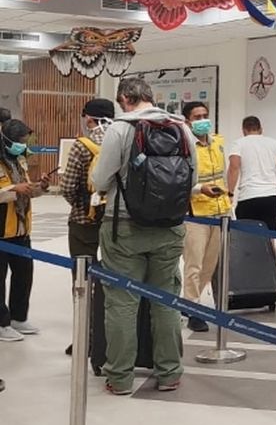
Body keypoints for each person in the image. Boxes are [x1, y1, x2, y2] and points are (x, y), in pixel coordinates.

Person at [91, 77, 197, 394]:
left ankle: (121, 378)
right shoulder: (181, 128)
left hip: (124, 227)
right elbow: (194, 178)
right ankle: (169, 373)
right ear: (151, 97)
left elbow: (100, 179)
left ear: (125, 99)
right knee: (166, 301)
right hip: (170, 227)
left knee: (122, 303)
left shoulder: (120, 129)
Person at [60, 98, 115, 356]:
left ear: (89, 119)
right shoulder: (123, 140)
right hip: (116, 223)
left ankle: (86, 339)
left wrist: (83, 206)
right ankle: (111, 338)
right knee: (114, 281)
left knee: (83, 281)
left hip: (84, 223)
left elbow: (68, 187)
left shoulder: (83, 146)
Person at [180, 101, 231, 333]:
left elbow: (223, 174)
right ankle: (194, 310)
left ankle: (190, 302)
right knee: (194, 264)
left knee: (210, 265)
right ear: (188, 121)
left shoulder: (218, 142)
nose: (203, 120)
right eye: (197, 116)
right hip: (195, 213)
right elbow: (180, 180)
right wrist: (199, 189)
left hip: (219, 210)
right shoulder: (184, 146)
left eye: (205, 115)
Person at [0, 119, 50, 342]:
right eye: (18, 141)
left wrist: (41, 187)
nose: (22, 144)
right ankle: (1, 323)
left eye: (23, 140)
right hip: (2, 231)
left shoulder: (19, 161)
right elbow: (8, 192)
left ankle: (19, 317)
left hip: (21, 230)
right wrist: (13, 188)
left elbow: (27, 190)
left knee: (24, 274)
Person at [227, 116, 276, 231]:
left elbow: (233, 168)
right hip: (271, 198)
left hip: (248, 197)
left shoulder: (238, 144)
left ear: (244, 130)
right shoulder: (275, 144)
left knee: (247, 239)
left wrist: (230, 193)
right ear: (261, 129)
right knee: (269, 238)